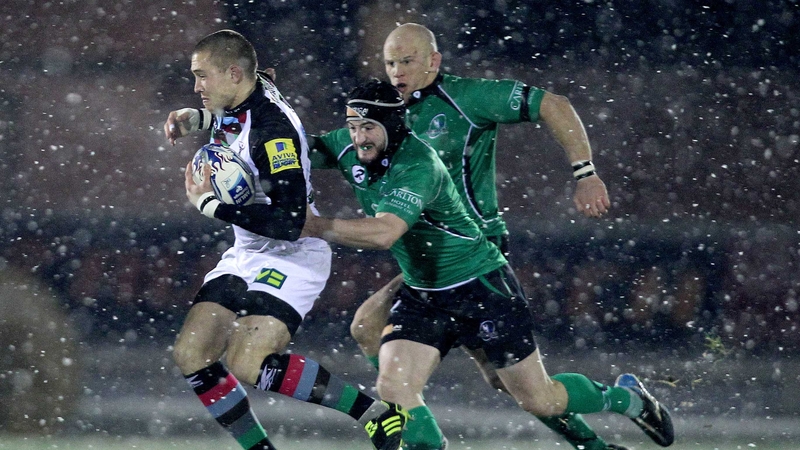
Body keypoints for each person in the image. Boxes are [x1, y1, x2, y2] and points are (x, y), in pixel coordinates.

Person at [302, 79, 674, 450]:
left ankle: (627, 400)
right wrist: (268, 113)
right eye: (353, 127)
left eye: (368, 127)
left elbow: (385, 233)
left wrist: (313, 225)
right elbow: (295, 147)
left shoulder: (419, 163)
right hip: (424, 292)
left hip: (480, 285)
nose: (359, 138)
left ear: (392, 124)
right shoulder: (350, 145)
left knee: (538, 398)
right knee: (393, 385)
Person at [347, 23, 623, 449]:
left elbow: (554, 104)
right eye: (390, 63)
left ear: (434, 61)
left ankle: (617, 406)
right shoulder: (384, 115)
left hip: (474, 254)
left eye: (407, 61)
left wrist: (585, 173)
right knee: (372, 329)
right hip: (430, 260)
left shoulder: (467, 98)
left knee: (522, 388)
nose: (397, 71)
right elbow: (322, 147)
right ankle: (410, 419)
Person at [165, 29, 405, 450]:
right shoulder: (246, 91)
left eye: (202, 76)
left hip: (291, 254)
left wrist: (213, 207)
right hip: (247, 249)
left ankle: (374, 413)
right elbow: (258, 85)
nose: (197, 86)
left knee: (248, 362)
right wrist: (199, 118)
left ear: (234, 74)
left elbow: (292, 221)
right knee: (191, 353)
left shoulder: (273, 132)